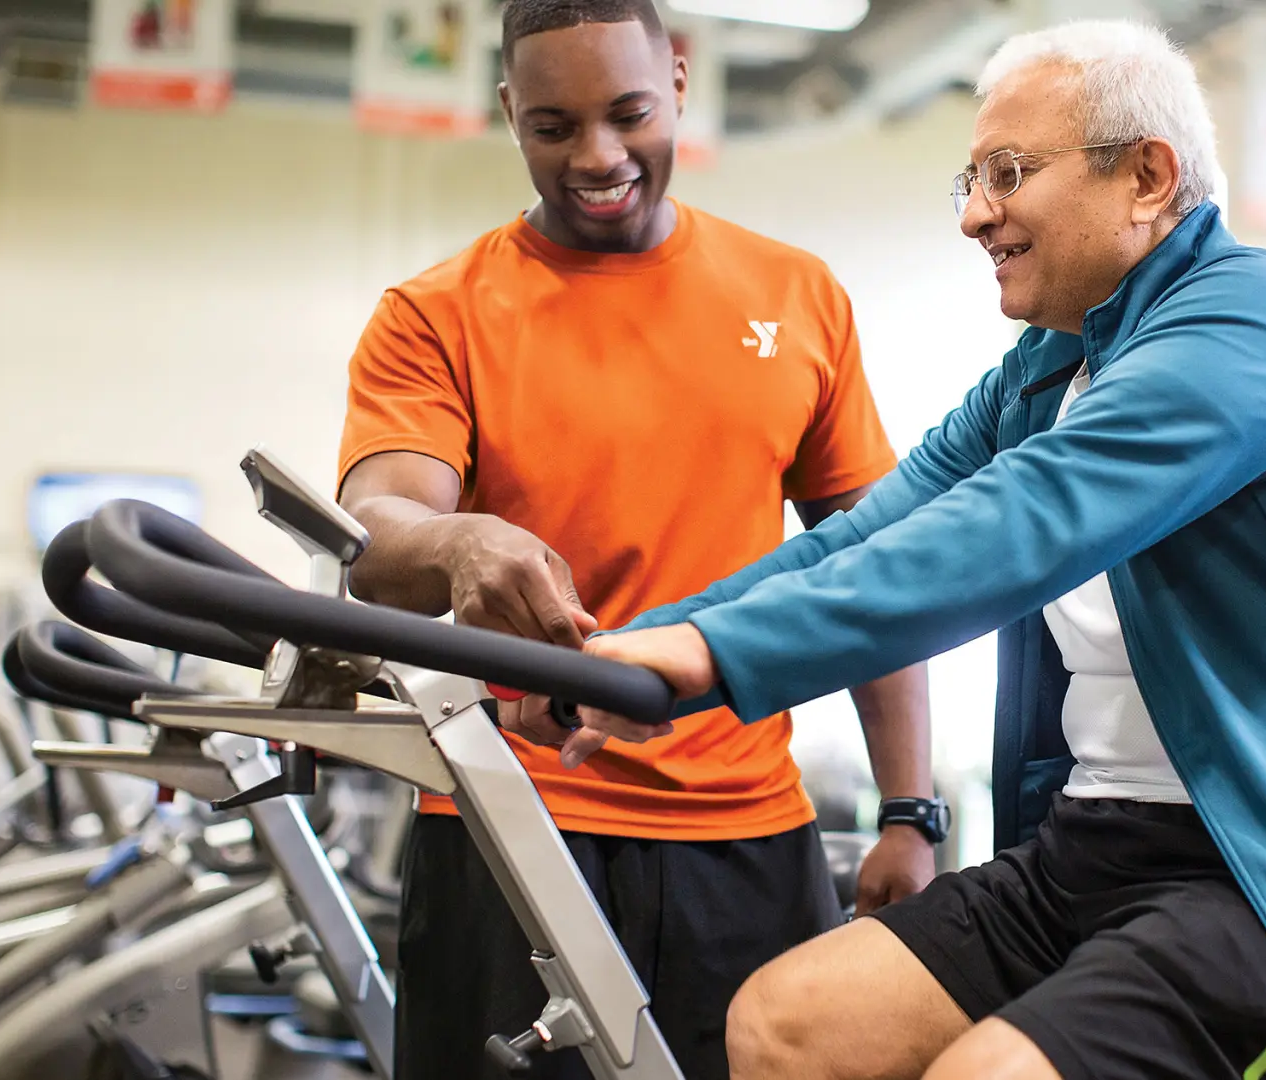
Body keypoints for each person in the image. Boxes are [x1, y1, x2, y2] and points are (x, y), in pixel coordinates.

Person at [569, 19, 1266, 1080]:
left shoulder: (1256, 321)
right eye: (970, 180)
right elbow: (870, 534)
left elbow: (1015, 528)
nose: (977, 214)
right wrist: (638, 649)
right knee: (787, 1022)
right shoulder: (1046, 368)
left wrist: (713, 662)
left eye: (1008, 173)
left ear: (1146, 176)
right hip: (1102, 843)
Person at [333, 2, 940, 1077]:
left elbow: (872, 567)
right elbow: (379, 527)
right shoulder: (437, 313)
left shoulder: (796, 296)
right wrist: (461, 542)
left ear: (680, 80)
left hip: (746, 831)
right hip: (505, 822)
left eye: (628, 114)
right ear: (510, 113)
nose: (599, 157)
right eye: (554, 127)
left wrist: (909, 808)